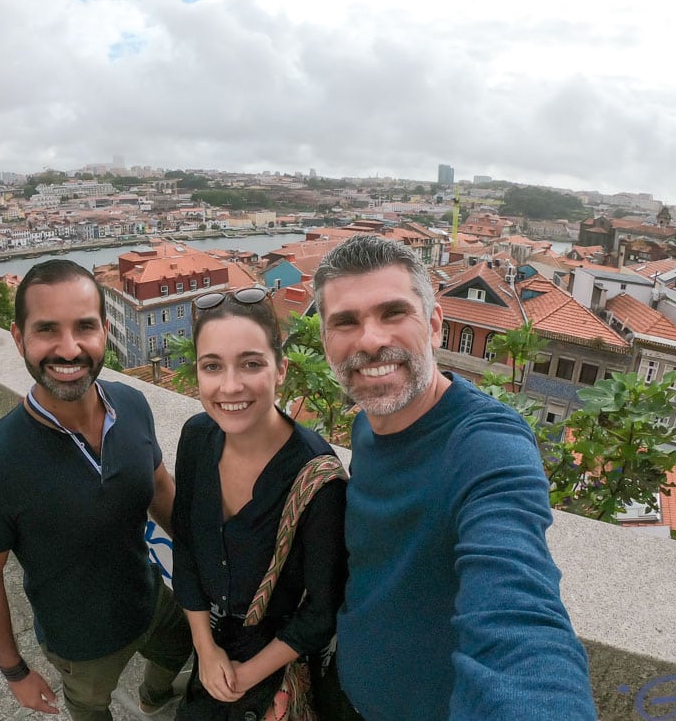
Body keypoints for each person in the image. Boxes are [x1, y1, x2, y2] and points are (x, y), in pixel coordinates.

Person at [313, 234, 597, 720]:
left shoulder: (486, 445)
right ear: (325, 343)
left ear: (435, 326)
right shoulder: (366, 423)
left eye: (393, 313)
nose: (371, 339)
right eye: (345, 322)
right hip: (345, 690)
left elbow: (519, 617)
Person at [0, 260, 192, 721]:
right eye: (47, 330)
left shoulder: (132, 405)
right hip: (81, 644)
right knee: (90, 708)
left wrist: (203, 555)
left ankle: (154, 696)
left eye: (84, 327)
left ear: (105, 331)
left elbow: (159, 486)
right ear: (19, 338)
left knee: (178, 646)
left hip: (151, 598)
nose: (68, 349)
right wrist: (14, 671)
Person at [171, 286, 348, 720]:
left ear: (281, 369)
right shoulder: (196, 437)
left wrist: (244, 676)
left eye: (251, 364)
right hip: (208, 644)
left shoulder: (317, 479)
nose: (230, 386)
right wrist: (204, 648)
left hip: (273, 658)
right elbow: (187, 548)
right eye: (212, 366)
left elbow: (321, 610)